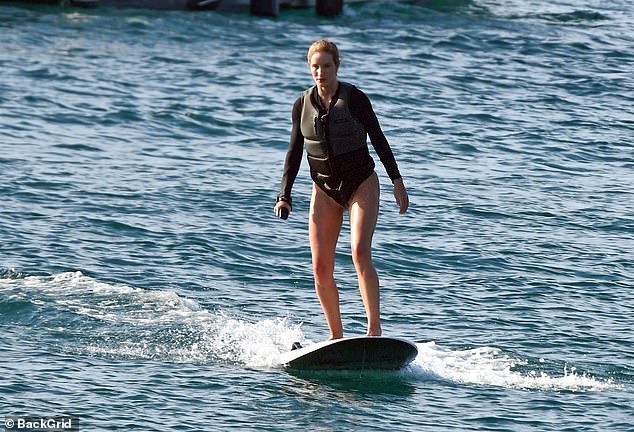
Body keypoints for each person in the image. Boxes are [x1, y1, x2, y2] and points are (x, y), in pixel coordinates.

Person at [274, 39, 409, 340]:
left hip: (360, 183)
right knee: (321, 267)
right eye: (315, 67)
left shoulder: (355, 99)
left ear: (337, 66)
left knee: (360, 252)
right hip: (324, 189)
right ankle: (337, 337)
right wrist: (285, 195)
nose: (320, 73)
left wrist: (397, 182)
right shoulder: (302, 104)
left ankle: (373, 330)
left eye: (326, 66)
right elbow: (294, 152)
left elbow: (378, 139)